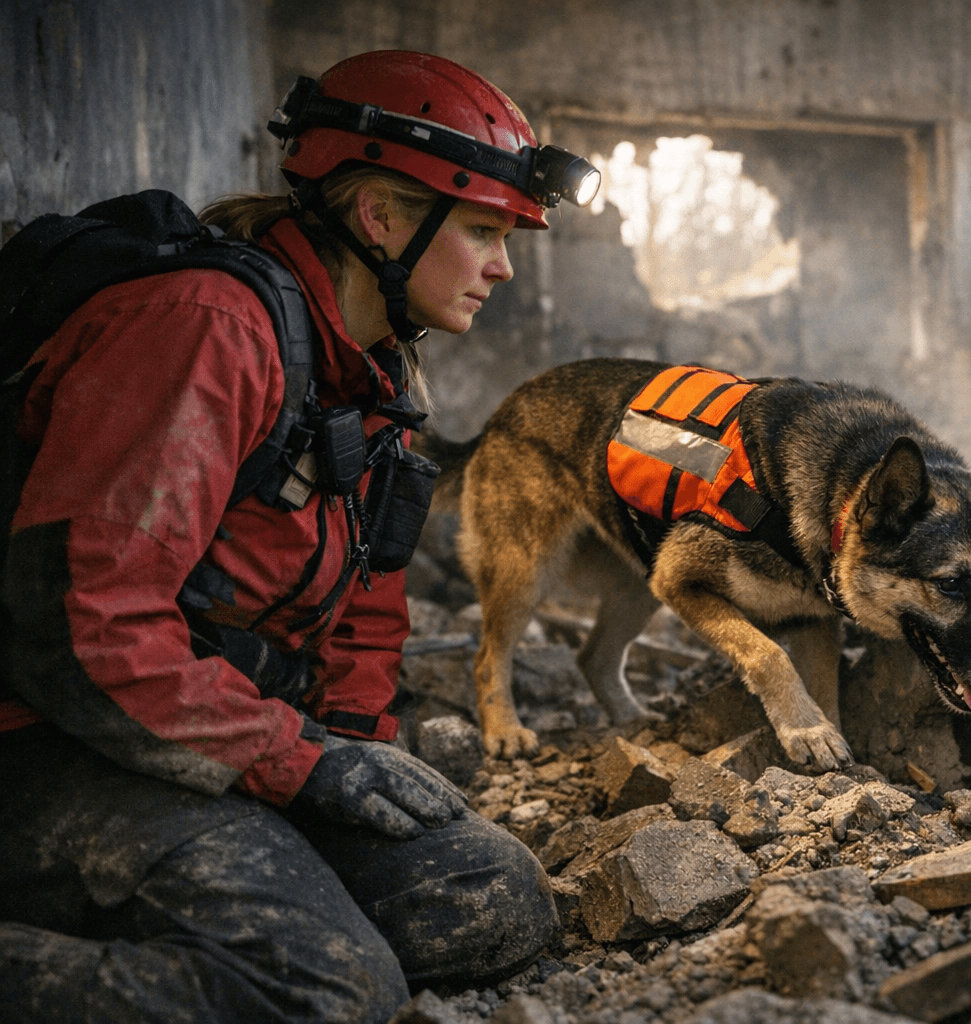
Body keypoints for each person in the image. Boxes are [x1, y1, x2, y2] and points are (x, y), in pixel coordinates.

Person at [0, 51, 576, 1023]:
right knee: (332, 989)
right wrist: (296, 762)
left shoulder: (373, 373)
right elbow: (82, 626)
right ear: (383, 218)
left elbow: (364, 613)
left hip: (201, 740)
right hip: (50, 742)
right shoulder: (204, 330)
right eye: (482, 230)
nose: (503, 265)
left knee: (494, 901)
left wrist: (347, 753)